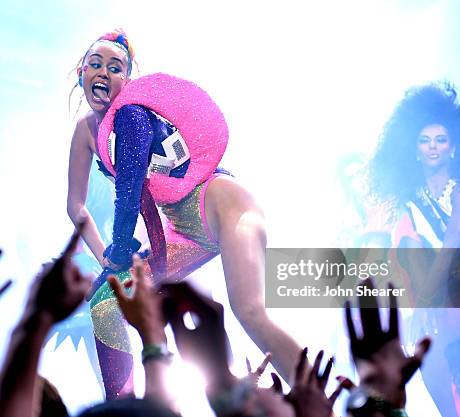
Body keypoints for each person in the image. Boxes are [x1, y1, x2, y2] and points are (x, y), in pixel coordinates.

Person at [66, 29, 300, 398]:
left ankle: (323, 402)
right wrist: (108, 263)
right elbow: (74, 207)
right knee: (105, 302)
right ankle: (123, 406)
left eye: (115, 67)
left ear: (126, 79)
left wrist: (118, 254)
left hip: (225, 209)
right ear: (81, 71)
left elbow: (128, 196)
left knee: (250, 311)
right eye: (95, 64)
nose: (103, 72)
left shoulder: (130, 115)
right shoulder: (84, 131)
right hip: (183, 232)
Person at [368, 83, 460, 416]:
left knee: (433, 344)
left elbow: (451, 248)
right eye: (425, 140)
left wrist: (425, 303)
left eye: (441, 139)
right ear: (414, 149)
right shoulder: (413, 196)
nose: (433, 147)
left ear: (453, 147)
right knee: (438, 351)